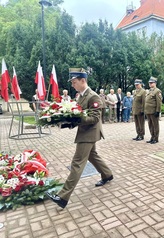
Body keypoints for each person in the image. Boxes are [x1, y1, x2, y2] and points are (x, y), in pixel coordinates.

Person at [46, 68, 113, 208]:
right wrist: (67, 122)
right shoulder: (81, 96)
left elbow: (94, 118)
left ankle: (62, 197)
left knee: (77, 163)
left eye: (75, 82)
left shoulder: (93, 96)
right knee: (92, 155)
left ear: (83, 80)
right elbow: (78, 114)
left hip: (89, 133)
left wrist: (75, 120)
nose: (73, 85)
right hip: (85, 131)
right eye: (72, 83)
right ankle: (107, 174)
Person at [144, 76, 162, 144]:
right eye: (149, 83)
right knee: (150, 125)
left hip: (153, 111)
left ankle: (156, 138)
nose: (150, 84)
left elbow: (159, 102)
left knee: (155, 125)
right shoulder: (149, 91)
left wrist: (158, 111)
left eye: (152, 83)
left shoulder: (157, 91)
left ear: (155, 83)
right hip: (148, 111)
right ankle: (152, 136)